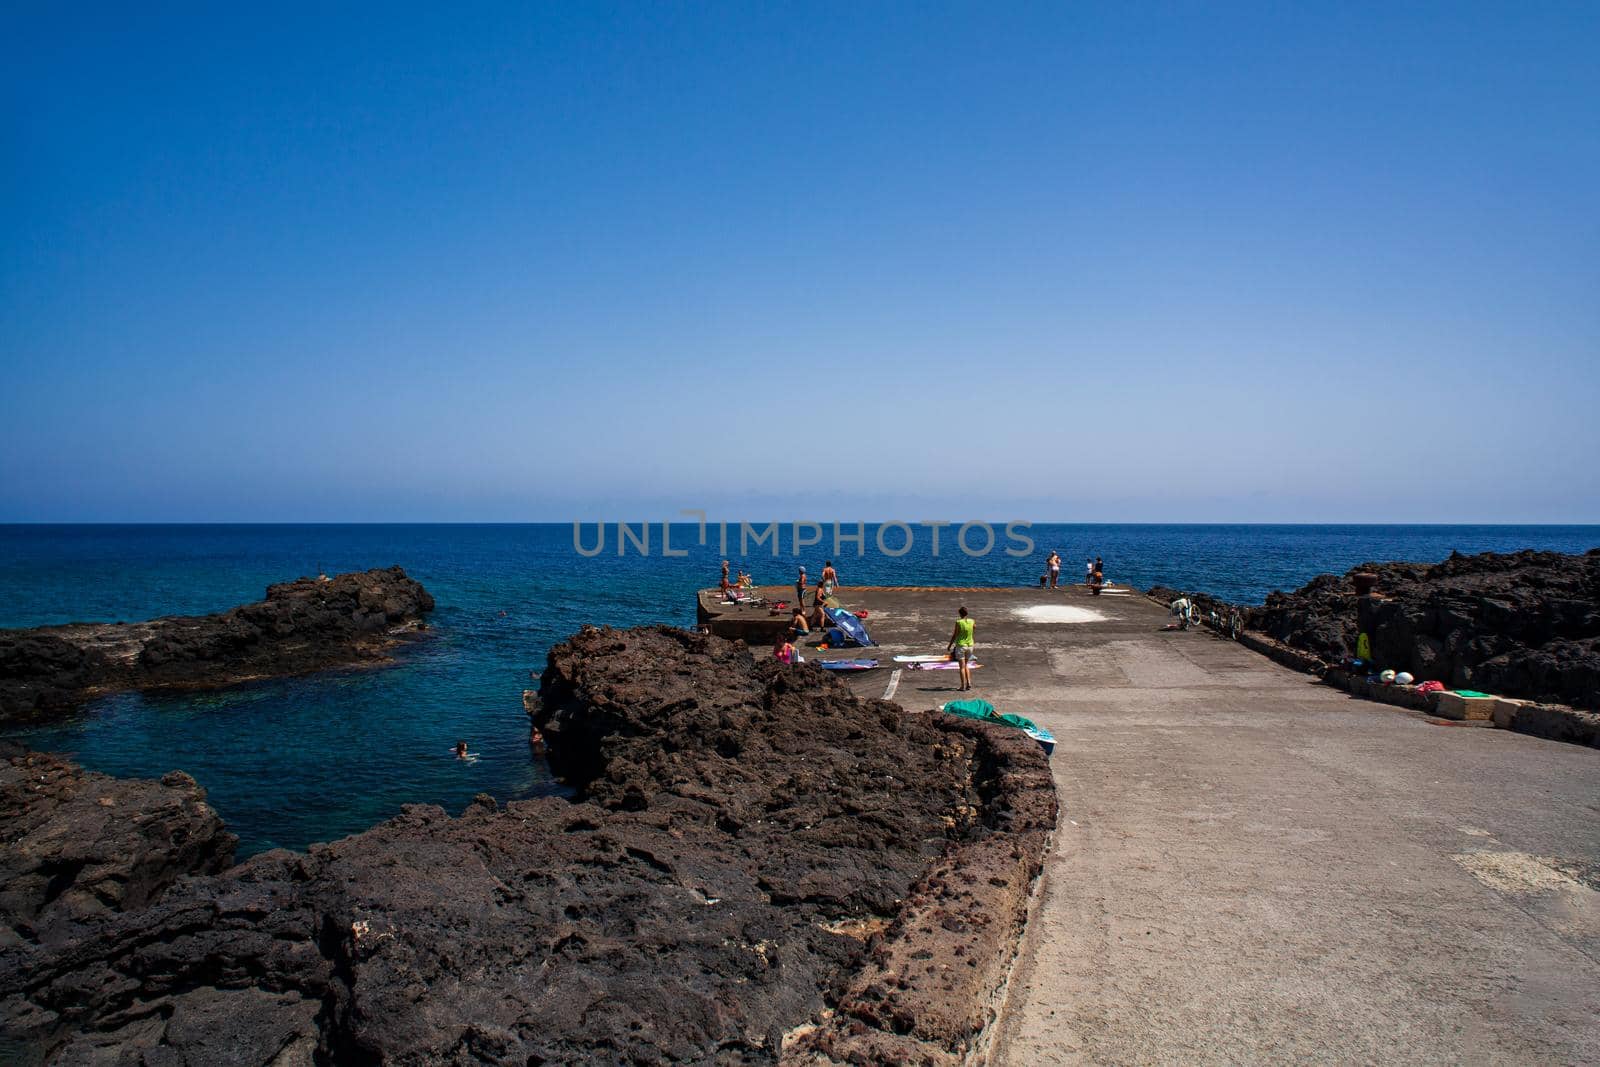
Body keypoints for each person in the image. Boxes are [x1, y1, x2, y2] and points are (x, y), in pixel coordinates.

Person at [946, 605, 976, 692]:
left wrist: (950, 645)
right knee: (966, 665)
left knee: (962, 667)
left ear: (960, 614)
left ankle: (962, 686)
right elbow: (974, 627)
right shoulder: (972, 621)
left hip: (961, 646)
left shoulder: (958, 622)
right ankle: (969, 683)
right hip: (970, 645)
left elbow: (955, 635)